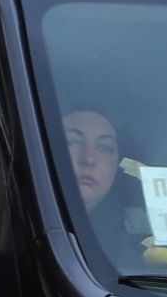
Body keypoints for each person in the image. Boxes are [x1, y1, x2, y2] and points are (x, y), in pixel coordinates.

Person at [62, 107, 146, 267]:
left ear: (118, 165)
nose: (88, 158)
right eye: (72, 142)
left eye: (104, 148)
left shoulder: (139, 248)